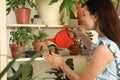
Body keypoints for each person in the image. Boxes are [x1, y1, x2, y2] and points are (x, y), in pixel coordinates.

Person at [43, 0, 120, 80]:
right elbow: (95, 51)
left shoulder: (104, 49)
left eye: (84, 14)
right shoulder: (108, 43)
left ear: (96, 16)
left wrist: (62, 64)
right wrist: (82, 36)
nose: (82, 18)